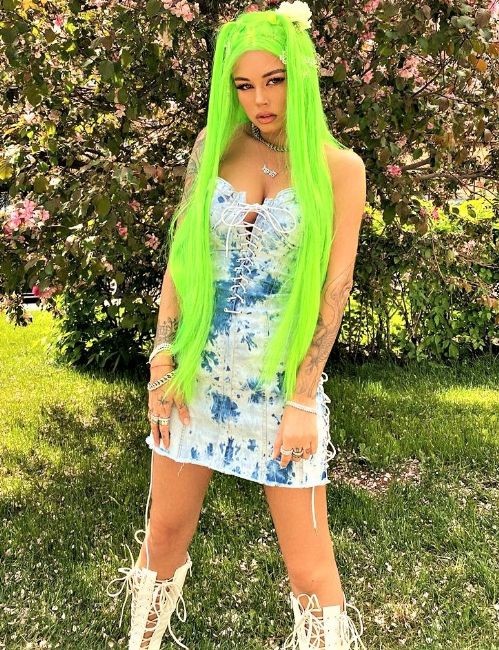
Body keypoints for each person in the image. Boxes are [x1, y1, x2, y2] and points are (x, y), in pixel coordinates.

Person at [106, 1, 367, 648]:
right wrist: (161, 362)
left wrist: (303, 398)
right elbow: (181, 261)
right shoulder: (214, 147)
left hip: (280, 390)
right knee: (163, 536)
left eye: (273, 80)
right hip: (195, 376)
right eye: (244, 85)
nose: (260, 100)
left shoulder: (340, 169)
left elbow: (334, 290)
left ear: (300, 76)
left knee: (310, 570)